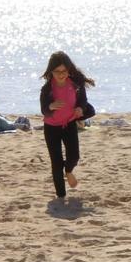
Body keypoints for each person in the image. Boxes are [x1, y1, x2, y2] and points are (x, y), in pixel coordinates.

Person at [37, 51, 97, 201]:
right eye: (57, 71)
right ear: (51, 71)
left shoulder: (75, 84)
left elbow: (83, 101)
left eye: (64, 71)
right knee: (56, 162)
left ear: (69, 69)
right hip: (51, 128)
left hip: (69, 124)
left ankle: (69, 171)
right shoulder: (47, 89)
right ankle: (61, 196)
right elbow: (43, 110)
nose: (61, 74)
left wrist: (80, 109)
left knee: (74, 156)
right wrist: (50, 106)